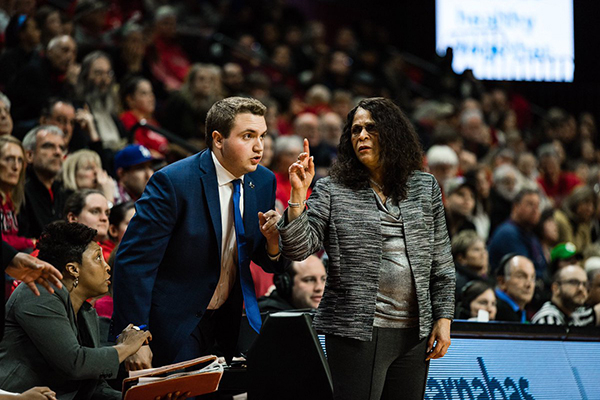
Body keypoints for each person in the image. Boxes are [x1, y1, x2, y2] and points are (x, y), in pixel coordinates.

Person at [278, 98, 455, 400]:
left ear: (392, 134)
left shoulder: (425, 187)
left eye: (371, 129)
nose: (361, 136)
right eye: (356, 130)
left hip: (415, 333)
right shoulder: (332, 189)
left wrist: (444, 318)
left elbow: (441, 261)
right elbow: (298, 248)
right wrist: (298, 194)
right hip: (355, 331)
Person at [112, 97, 287, 369]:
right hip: (174, 322)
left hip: (226, 322)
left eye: (262, 136)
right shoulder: (174, 182)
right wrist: (134, 337)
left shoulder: (263, 181)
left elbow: (263, 258)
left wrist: (273, 242)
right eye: (248, 136)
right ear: (218, 139)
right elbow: (134, 262)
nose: (259, 147)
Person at [0, 222, 151, 399]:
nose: (107, 266)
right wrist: (127, 348)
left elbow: (93, 386)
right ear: (73, 269)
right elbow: (75, 363)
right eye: (97, 258)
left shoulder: (85, 310)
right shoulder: (39, 293)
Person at [19, 125, 68, 239]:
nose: (58, 152)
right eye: (48, 146)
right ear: (29, 155)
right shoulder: (20, 193)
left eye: (61, 147)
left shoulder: (64, 194)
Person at [487, 188, 547, 278]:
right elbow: (524, 270)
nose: (535, 210)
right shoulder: (508, 233)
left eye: (537, 206)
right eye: (530, 204)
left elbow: (542, 264)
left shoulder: (529, 233)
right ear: (515, 207)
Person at [532, 265, 599, 326]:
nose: (581, 289)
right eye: (574, 282)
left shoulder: (574, 313)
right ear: (556, 288)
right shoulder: (548, 319)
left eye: (584, 284)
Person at [0, 136, 36, 251]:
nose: (16, 167)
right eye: (9, 159)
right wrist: (30, 242)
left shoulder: (12, 199)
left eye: (20, 160)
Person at [258, 254, 327, 313]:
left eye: (323, 279)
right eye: (309, 280)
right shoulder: (271, 313)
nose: (319, 287)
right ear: (286, 283)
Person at [494, 254, 536, 322]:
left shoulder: (518, 311)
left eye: (532, 278)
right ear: (502, 282)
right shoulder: (496, 310)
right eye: (521, 277)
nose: (529, 284)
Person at [451, 230, 489, 295]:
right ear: (461, 259)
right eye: (476, 250)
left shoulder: (480, 277)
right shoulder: (459, 283)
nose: (483, 253)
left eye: (484, 248)